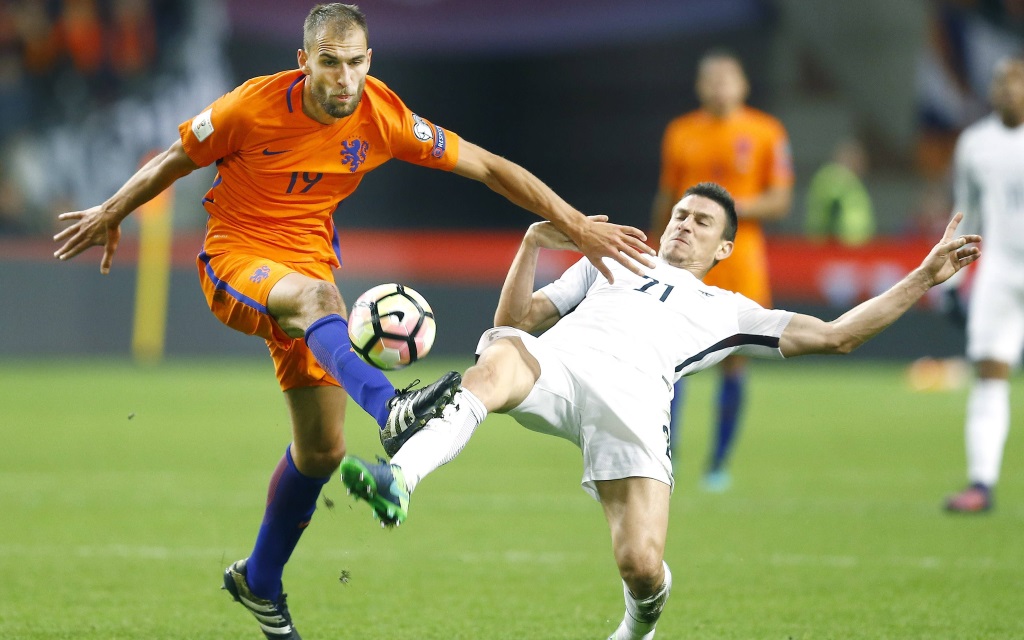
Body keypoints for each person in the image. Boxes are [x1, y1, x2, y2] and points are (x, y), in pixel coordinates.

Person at [51, 4, 655, 638]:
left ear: (371, 62)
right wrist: (113, 211)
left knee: (322, 451)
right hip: (237, 257)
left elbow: (488, 166)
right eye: (330, 63)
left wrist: (580, 225)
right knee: (320, 302)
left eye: (356, 63)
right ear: (303, 61)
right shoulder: (250, 108)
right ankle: (391, 408)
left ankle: (259, 581)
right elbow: (176, 157)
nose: (344, 78)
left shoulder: (383, 116)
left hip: (309, 267)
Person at [339, 181, 981, 640]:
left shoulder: (727, 309)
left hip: (635, 412)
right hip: (558, 372)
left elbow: (838, 333)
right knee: (501, 354)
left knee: (641, 565)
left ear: (724, 248)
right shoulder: (613, 259)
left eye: (703, 222)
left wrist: (921, 277)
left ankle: (636, 626)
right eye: (680, 213)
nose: (684, 224)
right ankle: (400, 478)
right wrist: (534, 240)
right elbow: (513, 319)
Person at [649, 49, 793, 490]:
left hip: (740, 259)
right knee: (670, 360)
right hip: (686, 262)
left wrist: (727, 209)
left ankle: (718, 463)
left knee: (734, 361)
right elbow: (668, 194)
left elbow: (781, 200)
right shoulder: (680, 132)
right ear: (700, 87)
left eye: (727, 79)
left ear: (743, 85)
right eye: (710, 79)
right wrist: (655, 247)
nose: (719, 87)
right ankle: (663, 455)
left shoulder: (766, 131)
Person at [943, 56, 1024, 514]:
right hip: (1001, 274)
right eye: (1000, 82)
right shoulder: (975, 143)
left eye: (1016, 80)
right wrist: (951, 284)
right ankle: (981, 484)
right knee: (990, 374)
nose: (1007, 89)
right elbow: (966, 210)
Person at [804, 138, 875, 246]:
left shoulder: (852, 180)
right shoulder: (833, 178)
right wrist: (834, 241)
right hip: (838, 247)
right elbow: (832, 210)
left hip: (854, 247)